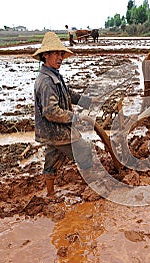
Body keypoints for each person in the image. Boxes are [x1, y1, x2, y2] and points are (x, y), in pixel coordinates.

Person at [32, 32, 101, 196]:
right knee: (84, 150)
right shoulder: (46, 82)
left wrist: (88, 101)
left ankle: (50, 194)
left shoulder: (54, 76)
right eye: (56, 53)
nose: (60, 57)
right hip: (57, 130)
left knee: (52, 159)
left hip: (51, 131)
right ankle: (93, 188)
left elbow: (68, 94)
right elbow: (51, 112)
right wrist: (75, 117)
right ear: (45, 55)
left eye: (61, 53)